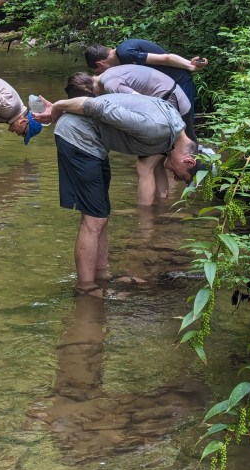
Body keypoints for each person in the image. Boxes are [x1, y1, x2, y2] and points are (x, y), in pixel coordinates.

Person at [32, 91, 200, 297]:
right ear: (188, 161)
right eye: (183, 177)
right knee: (94, 219)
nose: (177, 178)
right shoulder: (157, 129)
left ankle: (102, 276)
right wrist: (57, 107)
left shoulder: (173, 130)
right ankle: (86, 288)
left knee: (101, 215)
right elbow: (94, 106)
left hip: (94, 143)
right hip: (78, 137)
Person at [64, 65, 196, 141]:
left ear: (87, 92)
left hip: (170, 101)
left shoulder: (112, 86)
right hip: (175, 97)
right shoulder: (107, 73)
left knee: (156, 160)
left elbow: (143, 103)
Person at [84, 39, 208, 117]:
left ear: (100, 64)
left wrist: (190, 66)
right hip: (168, 87)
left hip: (180, 82)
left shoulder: (126, 53)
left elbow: (166, 58)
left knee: (184, 123)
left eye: (99, 71)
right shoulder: (123, 53)